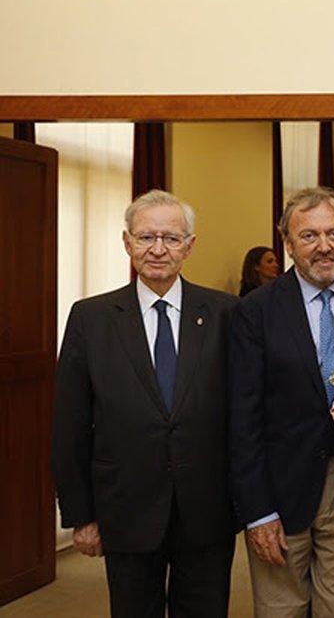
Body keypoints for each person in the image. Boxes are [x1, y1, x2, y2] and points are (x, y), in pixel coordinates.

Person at [52, 189, 237, 616]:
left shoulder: (226, 313)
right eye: (146, 237)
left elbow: (240, 415)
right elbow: (70, 424)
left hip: (207, 508)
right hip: (125, 508)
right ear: (127, 242)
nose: (158, 249)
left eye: (171, 239)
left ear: (189, 246)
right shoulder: (90, 318)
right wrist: (80, 514)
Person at [228, 187, 334, 617]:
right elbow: (242, 416)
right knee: (281, 610)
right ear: (288, 243)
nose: (324, 246)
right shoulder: (256, 310)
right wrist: (257, 511)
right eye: (309, 236)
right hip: (278, 495)